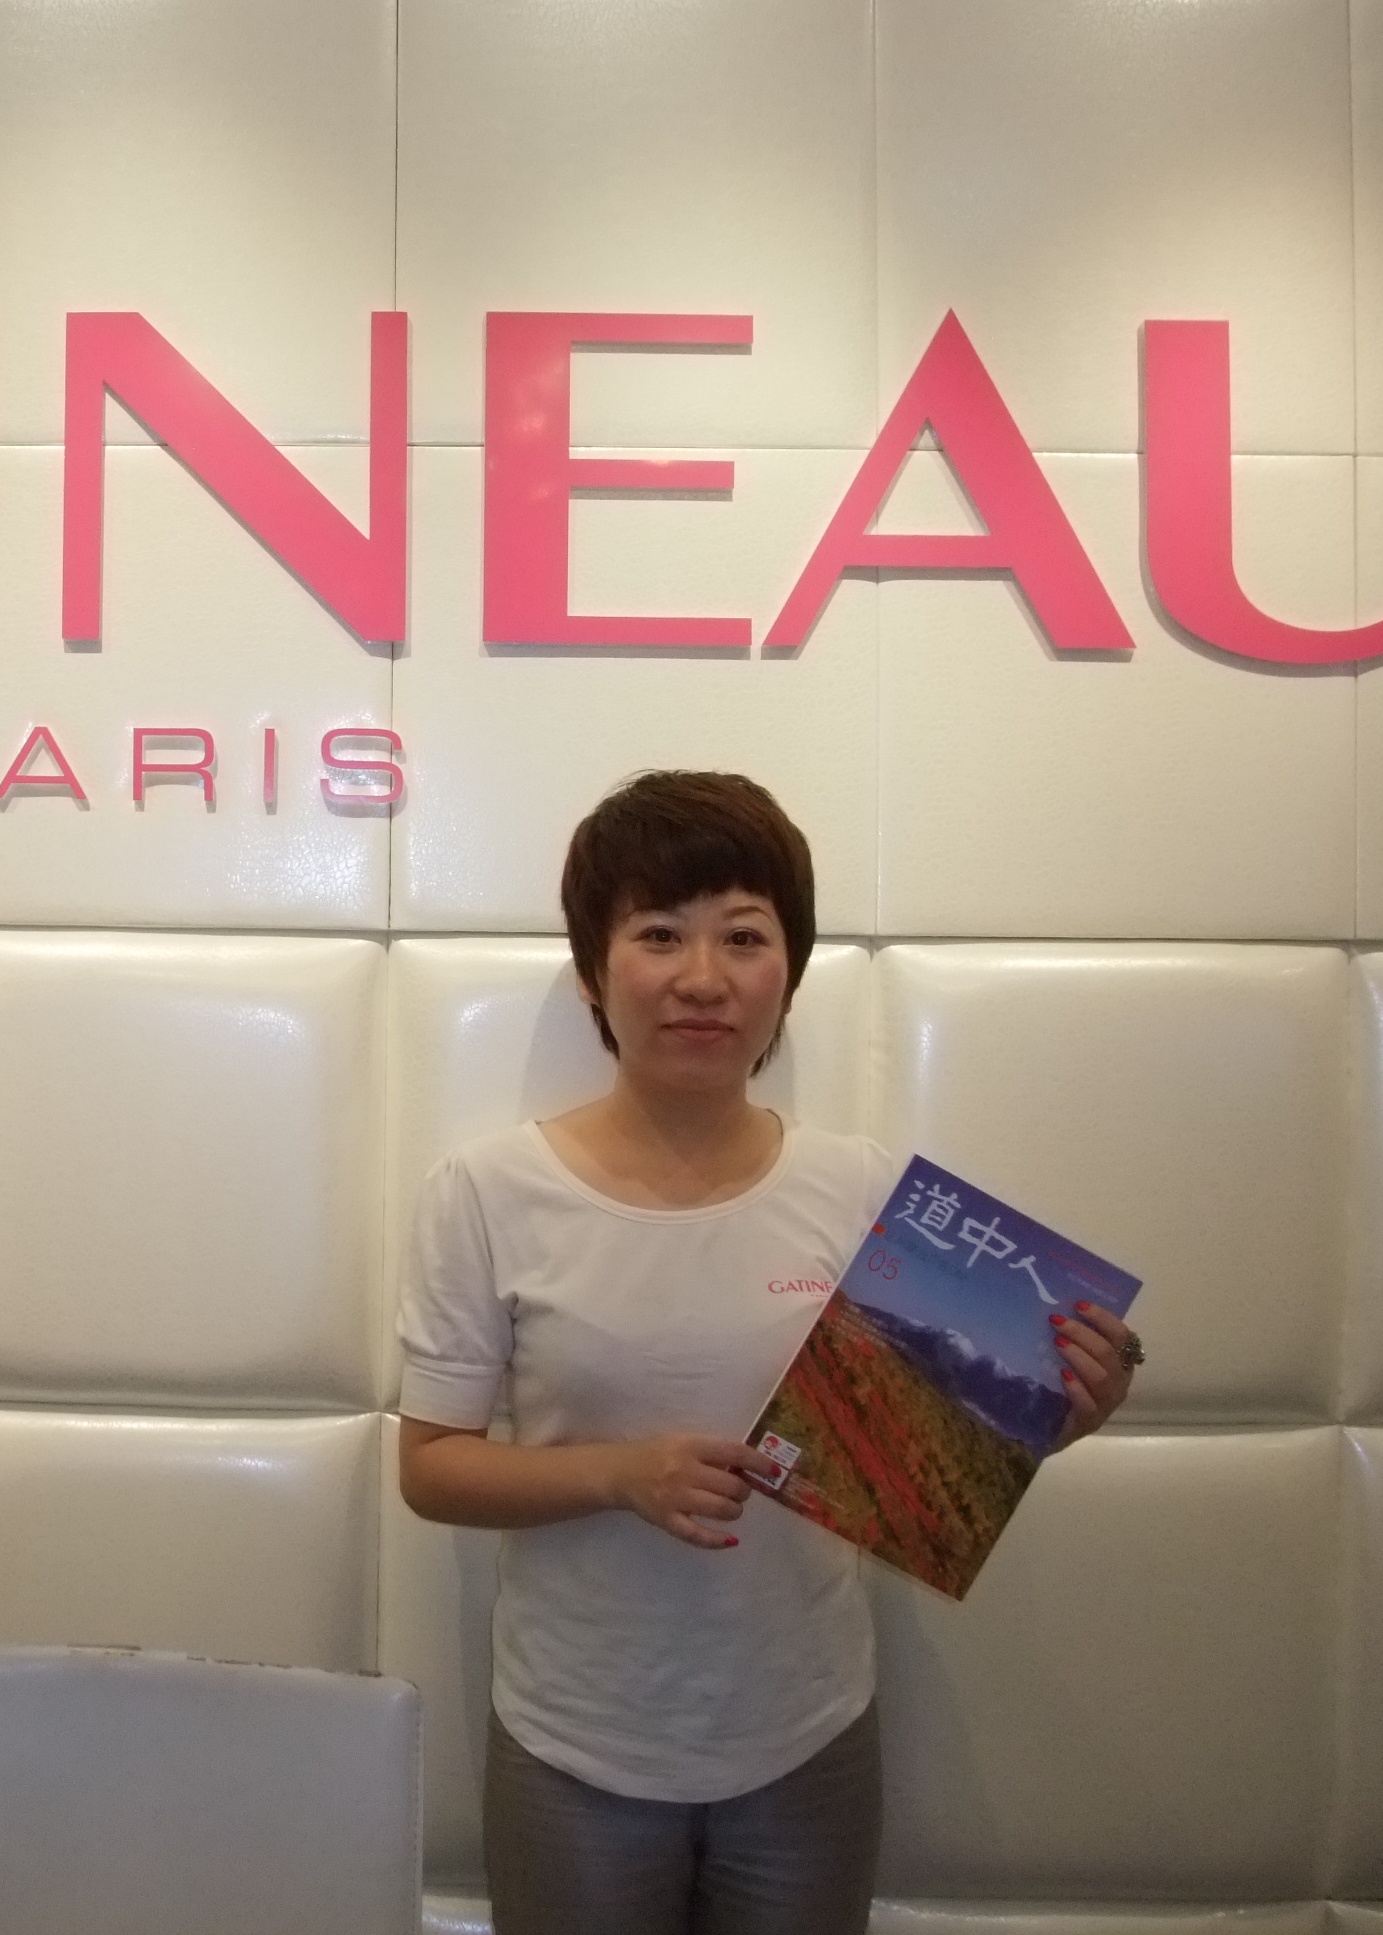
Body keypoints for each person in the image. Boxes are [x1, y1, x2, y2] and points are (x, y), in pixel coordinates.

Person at [395, 770, 1140, 1935]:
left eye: (744, 936)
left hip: (807, 1735)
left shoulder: (863, 1192)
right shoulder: (486, 1192)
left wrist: (1053, 1408)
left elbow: (920, 1461)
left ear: (788, 971)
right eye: (659, 934)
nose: (703, 978)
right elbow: (431, 1467)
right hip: (574, 1740)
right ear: (593, 971)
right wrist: (617, 1474)